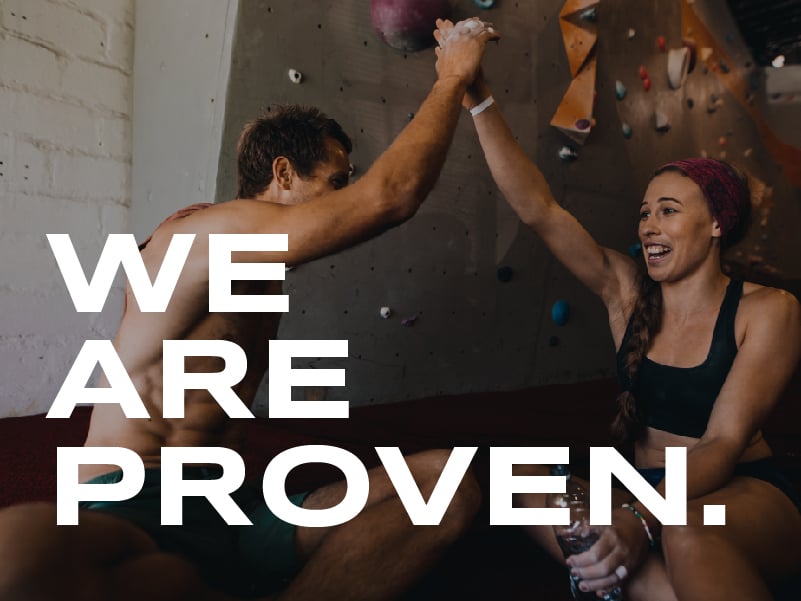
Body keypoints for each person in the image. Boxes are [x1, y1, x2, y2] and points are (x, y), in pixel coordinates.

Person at [0, 19, 501, 601]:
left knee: (449, 486)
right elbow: (391, 197)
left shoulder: (259, 268)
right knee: (20, 556)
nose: (344, 195)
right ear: (284, 173)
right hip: (133, 492)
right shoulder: (206, 235)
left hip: (229, 503)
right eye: (336, 180)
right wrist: (452, 77)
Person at [434, 18, 801, 601]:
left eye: (669, 211)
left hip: (738, 492)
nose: (649, 224)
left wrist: (638, 518)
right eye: (645, 211)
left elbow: (723, 444)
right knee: (510, 477)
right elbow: (540, 210)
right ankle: (633, 578)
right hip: (636, 487)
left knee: (684, 531)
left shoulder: (769, 310)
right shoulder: (625, 291)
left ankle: (629, 568)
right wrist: (476, 94)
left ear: (716, 225)